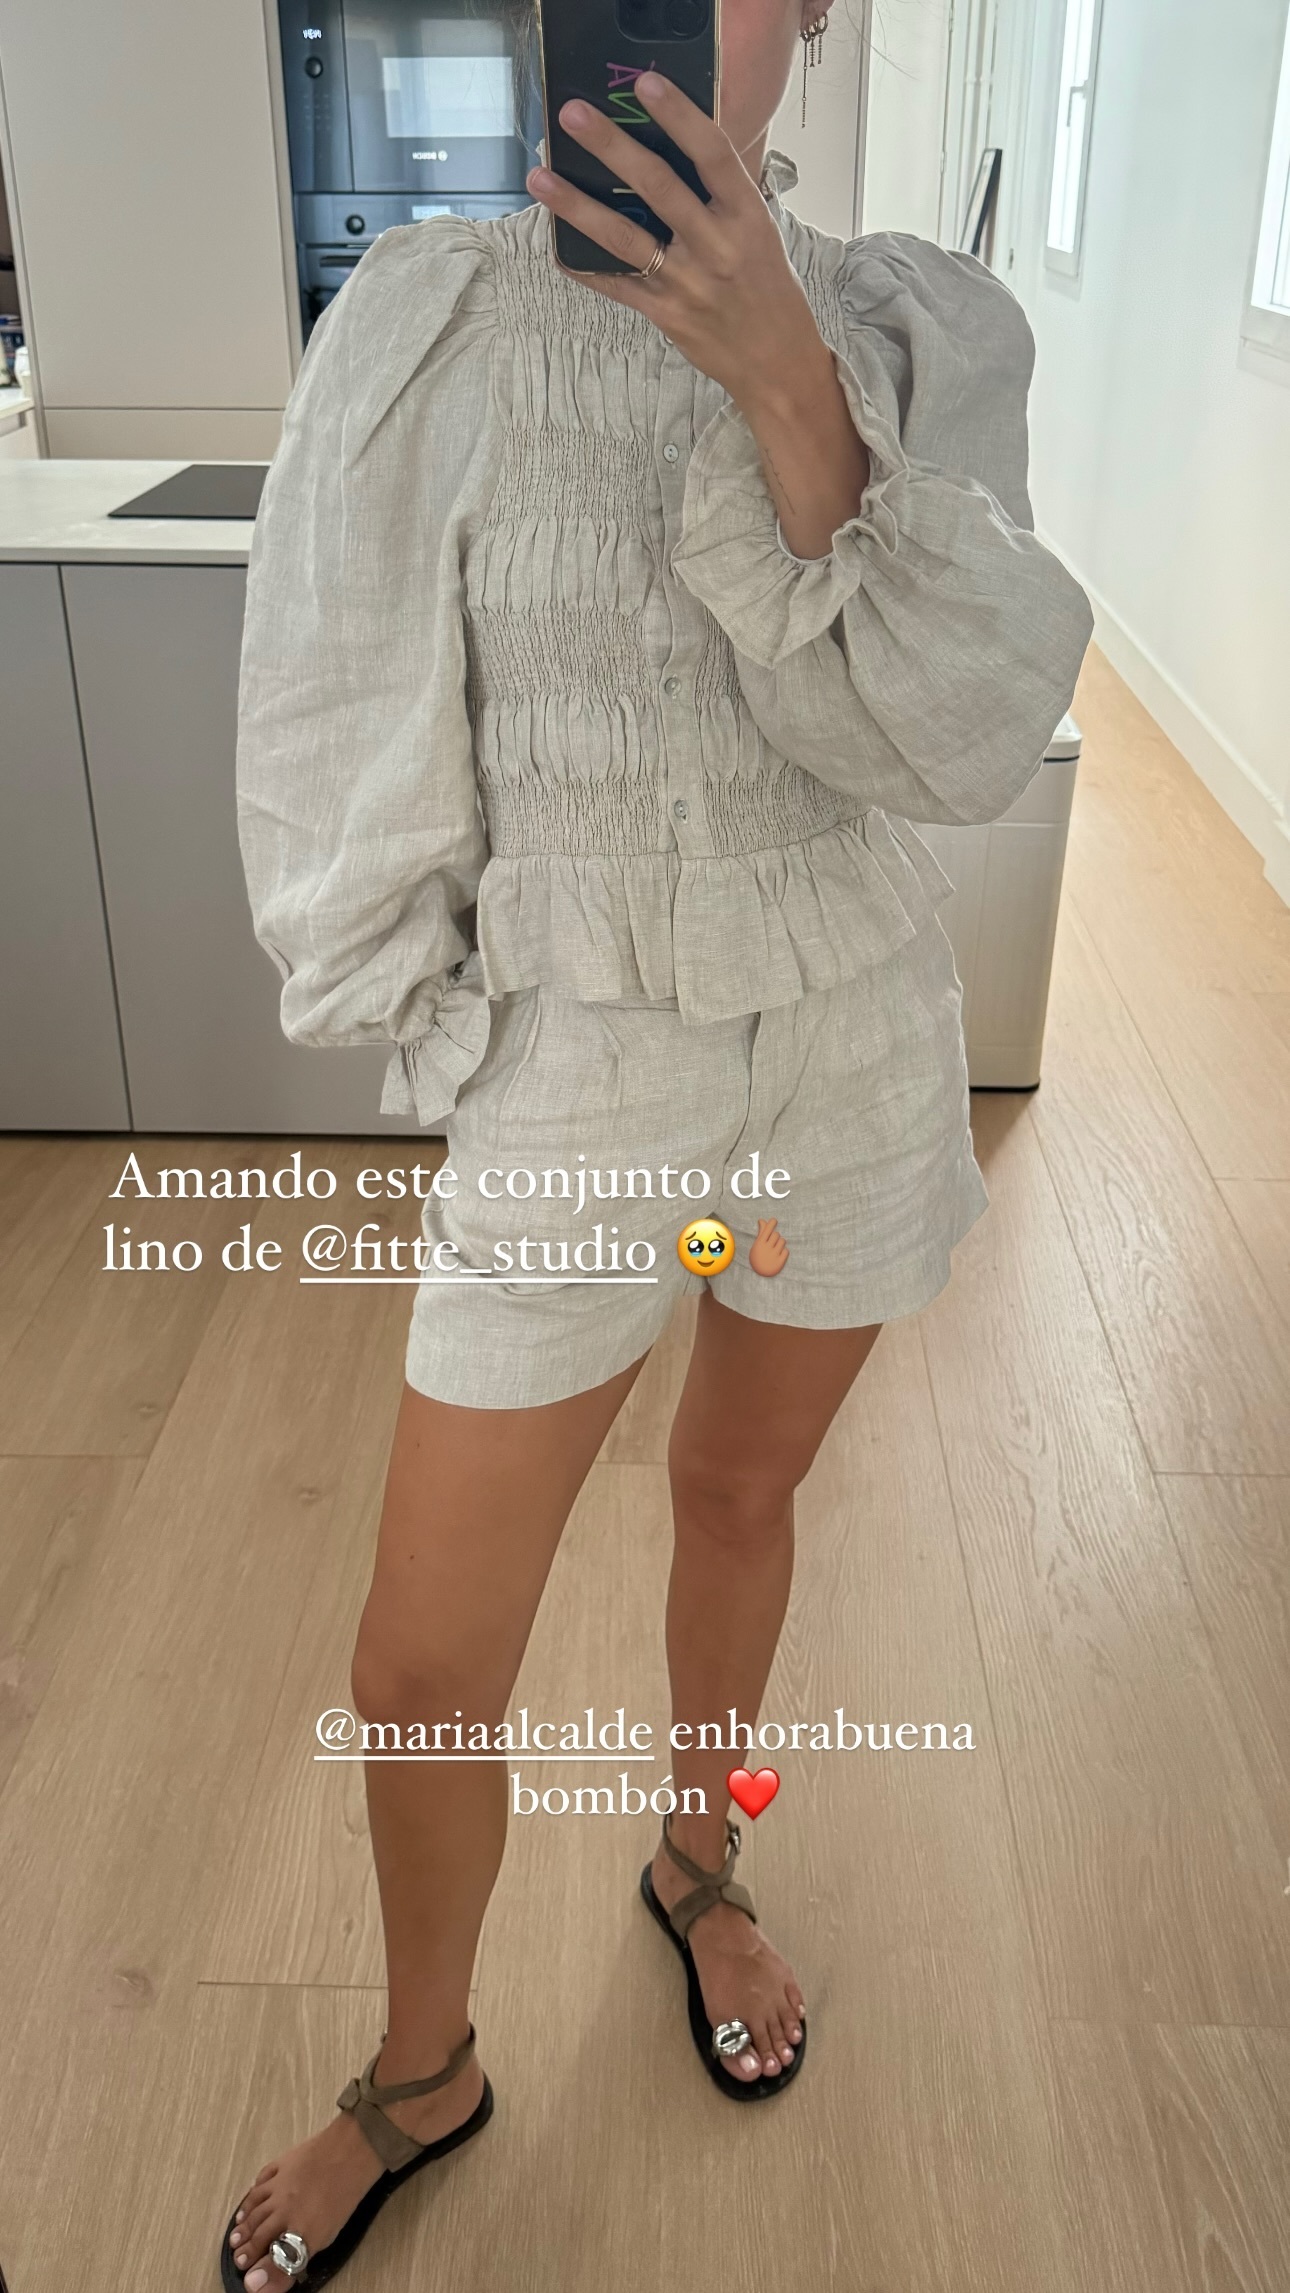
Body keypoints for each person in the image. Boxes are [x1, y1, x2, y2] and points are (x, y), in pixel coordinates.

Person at [221, 0, 1093, 2277]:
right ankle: (424, 2064)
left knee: (739, 1493)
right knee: (422, 1661)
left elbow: (948, 744)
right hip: (575, 1052)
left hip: (846, 1031)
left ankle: (700, 1860)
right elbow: (333, 706)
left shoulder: (904, 332)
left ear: (816, 9)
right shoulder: (425, 323)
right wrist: (438, 1012)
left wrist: (788, 377)